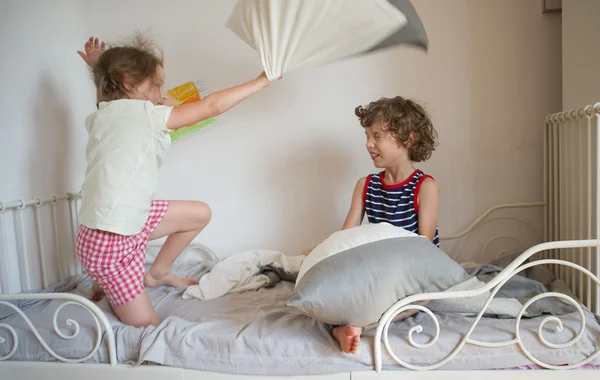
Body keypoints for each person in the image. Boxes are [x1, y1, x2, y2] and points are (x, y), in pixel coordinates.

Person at [75, 35, 277, 327]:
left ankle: (157, 273)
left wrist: (98, 67)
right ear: (128, 83)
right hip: (112, 245)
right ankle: (108, 277)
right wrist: (261, 81)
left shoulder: (103, 114)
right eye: (156, 85)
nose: (162, 94)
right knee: (148, 327)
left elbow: (105, 97)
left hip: (125, 224)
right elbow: (210, 107)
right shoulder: (146, 115)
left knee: (199, 213)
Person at [308, 96, 440, 353]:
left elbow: (425, 250)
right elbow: (344, 239)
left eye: (377, 136)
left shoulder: (425, 187)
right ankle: (348, 319)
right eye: (367, 136)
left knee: (418, 299)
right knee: (331, 285)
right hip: (373, 269)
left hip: (411, 272)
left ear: (407, 140)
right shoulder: (365, 185)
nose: (369, 144)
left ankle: (357, 327)